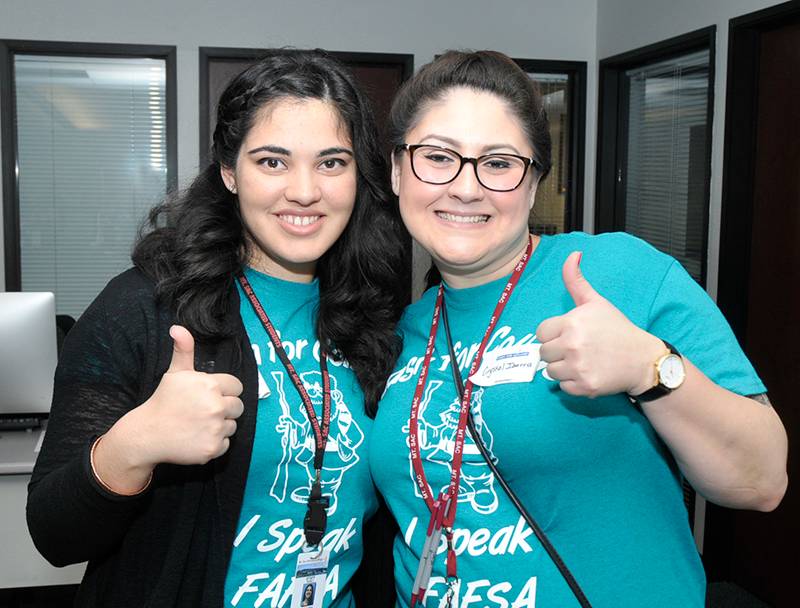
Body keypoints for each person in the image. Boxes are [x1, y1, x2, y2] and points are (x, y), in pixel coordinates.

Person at [369, 50, 788, 608]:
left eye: (498, 163)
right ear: (398, 170)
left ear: (534, 179)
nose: (466, 188)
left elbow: (762, 481)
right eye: (439, 157)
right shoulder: (403, 329)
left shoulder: (619, 274)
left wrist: (649, 369)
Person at [27, 49, 408, 608]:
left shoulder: (376, 310)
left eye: (331, 162)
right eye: (272, 162)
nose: (304, 191)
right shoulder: (144, 307)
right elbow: (53, 535)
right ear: (230, 171)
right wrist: (136, 445)